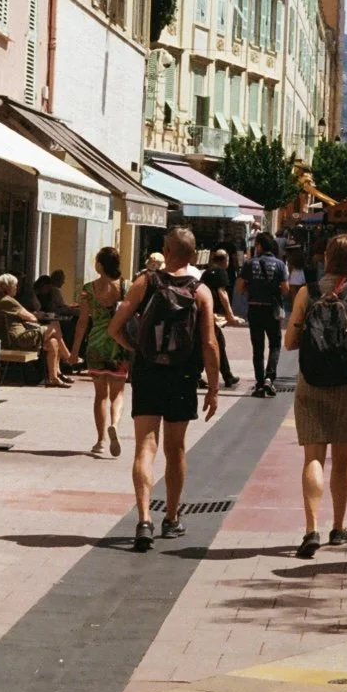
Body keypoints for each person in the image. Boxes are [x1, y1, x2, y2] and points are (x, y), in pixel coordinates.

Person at [108, 227, 219, 552]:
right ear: (193, 255)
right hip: (182, 375)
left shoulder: (146, 282)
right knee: (176, 448)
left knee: (145, 446)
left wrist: (137, 349)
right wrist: (213, 388)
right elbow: (209, 344)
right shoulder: (201, 291)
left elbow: (115, 328)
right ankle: (171, 517)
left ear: (166, 252)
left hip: (148, 372)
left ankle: (144, 519)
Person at [284, 232, 347, 557]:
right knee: (342, 461)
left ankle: (311, 528)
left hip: (310, 384)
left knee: (313, 458)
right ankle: (339, 527)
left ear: (327, 257)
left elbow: (289, 342)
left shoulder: (308, 292)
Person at [67, 247, 128, 456]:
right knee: (118, 393)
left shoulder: (88, 289)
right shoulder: (126, 286)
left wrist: (75, 351)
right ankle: (115, 425)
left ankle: (101, 440)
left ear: (100, 265)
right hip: (119, 344)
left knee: (100, 395)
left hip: (96, 344)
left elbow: (82, 322)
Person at [0, 274, 71, 386]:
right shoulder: (8, 301)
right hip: (20, 338)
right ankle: (67, 356)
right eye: (15, 285)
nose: (16, 288)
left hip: (13, 338)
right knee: (54, 327)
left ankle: (54, 377)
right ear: (8, 286)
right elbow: (32, 318)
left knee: (53, 341)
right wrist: (33, 315)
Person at [238, 232, 289, 397]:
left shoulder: (249, 264)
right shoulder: (280, 265)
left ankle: (260, 383)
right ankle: (269, 378)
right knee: (275, 344)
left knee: (257, 347)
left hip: (254, 309)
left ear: (259, 246)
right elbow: (286, 289)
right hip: (271, 310)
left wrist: (251, 289)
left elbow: (240, 287)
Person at [200, 249, 241, 389]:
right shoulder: (221, 272)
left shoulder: (206, 273)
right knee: (212, 344)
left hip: (205, 312)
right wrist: (230, 314)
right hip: (213, 314)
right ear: (225, 260)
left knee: (216, 344)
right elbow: (222, 293)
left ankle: (227, 376)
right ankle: (197, 375)